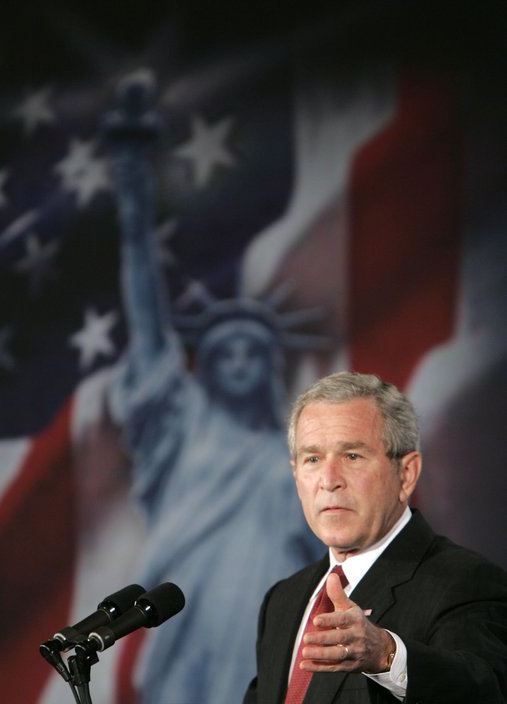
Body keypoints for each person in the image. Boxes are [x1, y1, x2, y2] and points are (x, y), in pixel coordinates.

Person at [103, 75, 324, 704]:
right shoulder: (182, 426)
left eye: (253, 351)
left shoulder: (295, 459)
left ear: (270, 366)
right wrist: (134, 202)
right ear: (207, 367)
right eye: (223, 350)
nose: (238, 361)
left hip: (275, 610)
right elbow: (148, 317)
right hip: (190, 607)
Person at [243, 371, 507, 704]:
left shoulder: (466, 581)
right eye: (313, 459)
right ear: (297, 477)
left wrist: (387, 655)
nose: (329, 480)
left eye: (352, 456)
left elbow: (487, 691)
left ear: (406, 474)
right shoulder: (283, 599)